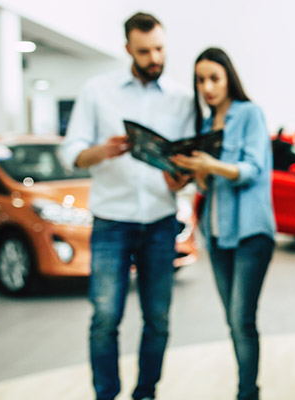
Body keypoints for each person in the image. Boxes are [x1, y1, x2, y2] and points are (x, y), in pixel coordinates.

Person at [57, 12, 194, 400]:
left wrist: (181, 177)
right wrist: (100, 151)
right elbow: (70, 153)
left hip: (160, 221)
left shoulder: (182, 98)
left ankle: (146, 392)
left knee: (159, 319)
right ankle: (106, 394)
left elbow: (188, 162)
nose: (154, 58)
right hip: (110, 222)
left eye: (159, 49)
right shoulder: (97, 91)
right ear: (127, 50)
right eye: (145, 51)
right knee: (104, 318)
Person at [171, 47, 275, 400]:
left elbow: (252, 170)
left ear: (229, 77)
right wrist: (191, 173)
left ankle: (248, 393)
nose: (207, 87)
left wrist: (210, 165)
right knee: (233, 321)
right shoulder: (204, 125)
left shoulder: (250, 114)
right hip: (216, 235)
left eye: (214, 78)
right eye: (200, 80)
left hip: (251, 233)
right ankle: (247, 389)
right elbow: (207, 184)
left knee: (241, 319)